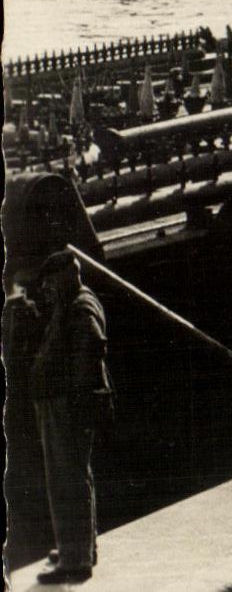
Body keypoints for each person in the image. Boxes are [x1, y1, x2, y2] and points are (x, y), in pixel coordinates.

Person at [30, 250, 114, 584]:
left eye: (50, 283)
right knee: (74, 476)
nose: (46, 290)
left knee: (66, 479)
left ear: (67, 277)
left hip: (67, 406)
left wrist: (76, 397)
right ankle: (77, 546)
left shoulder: (80, 307)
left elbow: (90, 346)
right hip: (64, 403)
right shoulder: (71, 304)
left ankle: (75, 558)